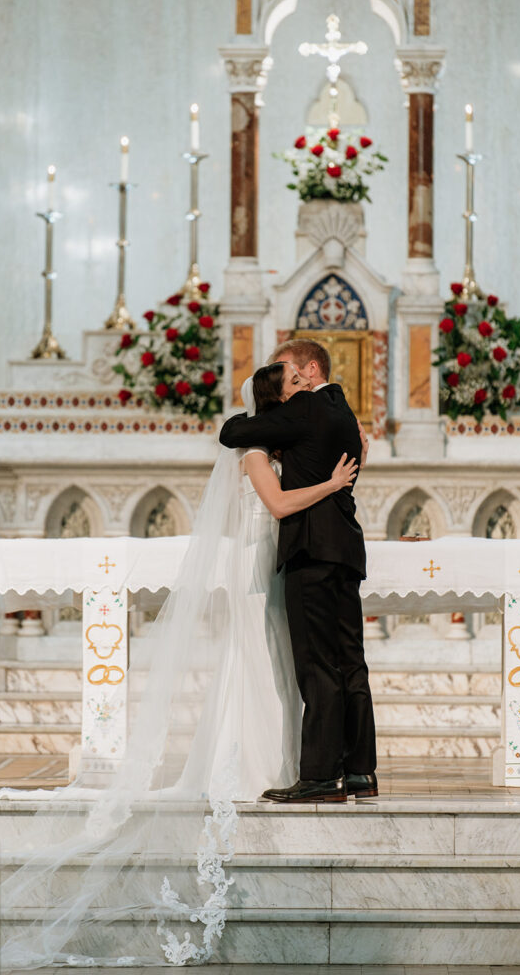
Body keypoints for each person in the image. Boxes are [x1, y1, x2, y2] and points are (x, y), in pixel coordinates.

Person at [0, 369, 359, 969]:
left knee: (279, 666)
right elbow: (275, 504)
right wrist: (331, 484)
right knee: (262, 666)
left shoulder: (273, 446)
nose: (300, 396)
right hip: (258, 573)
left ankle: (290, 761)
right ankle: (259, 762)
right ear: (278, 404)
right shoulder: (253, 455)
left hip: (274, 566)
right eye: (291, 391)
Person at [219, 338, 378, 804]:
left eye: (288, 371)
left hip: (312, 549)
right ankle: (360, 772)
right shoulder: (346, 415)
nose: (291, 383)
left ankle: (321, 776)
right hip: (346, 550)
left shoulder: (306, 408)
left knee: (316, 665)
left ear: (310, 370)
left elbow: (232, 432)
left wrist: (263, 408)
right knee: (351, 661)